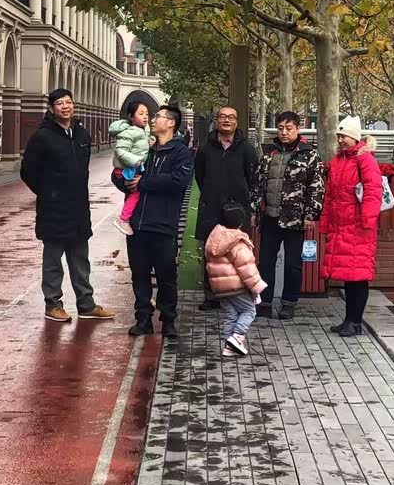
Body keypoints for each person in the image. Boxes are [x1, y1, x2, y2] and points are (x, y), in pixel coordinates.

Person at [20, 88, 114, 323]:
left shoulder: (82, 134)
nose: (65, 106)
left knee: (81, 258)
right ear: (51, 108)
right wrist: (48, 193)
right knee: (53, 260)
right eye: (60, 103)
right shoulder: (42, 136)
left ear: (74, 105)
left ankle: (86, 304)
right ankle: (53, 304)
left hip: (79, 207)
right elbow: (28, 171)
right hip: (53, 209)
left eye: (68, 102)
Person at [123, 105, 193, 339]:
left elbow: (178, 181)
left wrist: (144, 182)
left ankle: (168, 319)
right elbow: (128, 173)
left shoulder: (180, 152)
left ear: (171, 123)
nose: (153, 120)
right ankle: (143, 318)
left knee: (166, 275)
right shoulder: (146, 149)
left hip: (164, 225)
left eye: (158, 117)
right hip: (137, 224)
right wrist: (123, 179)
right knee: (139, 274)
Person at [251, 110, 325, 320]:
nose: (284, 132)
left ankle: (289, 303)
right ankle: (264, 302)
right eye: (281, 128)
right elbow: (258, 184)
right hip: (270, 217)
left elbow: (317, 187)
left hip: (295, 218)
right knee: (265, 262)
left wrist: (310, 214)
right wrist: (255, 210)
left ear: (298, 129)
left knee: (293, 264)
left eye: (289, 128)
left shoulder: (310, 155)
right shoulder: (269, 153)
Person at [320, 119, 382, 337]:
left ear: (355, 137)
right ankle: (349, 319)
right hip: (342, 226)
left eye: (344, 136)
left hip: (358, 227)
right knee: (349, 276)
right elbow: (330, 195)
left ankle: (355, 322)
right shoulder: (338, 161)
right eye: (338, 136)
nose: (340, 139)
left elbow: (373, 191)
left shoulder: (365, 159)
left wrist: (366, 221)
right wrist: (326, 222)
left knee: (358, 277)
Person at [194, 106, 258, 311]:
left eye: (231, 117)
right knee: (211, 252)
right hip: (211, 208)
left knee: (238, 253)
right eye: (223, 117)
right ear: (217, 120)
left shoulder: (246, 149)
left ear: (237, 122)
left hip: (238, 211)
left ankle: (238, 296)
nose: (227, 120)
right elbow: (200, 175)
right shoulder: (206, 148)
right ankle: (211, 296)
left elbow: (252, 177)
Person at [205, 202, 267, 357]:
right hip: (236, 286)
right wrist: (256, 286)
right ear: (241, 222)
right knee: (249, 311)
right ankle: (237, 337)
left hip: (219, 287)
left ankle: (229, 347)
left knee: (231, 314)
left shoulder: (215, 238)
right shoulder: (237, 242)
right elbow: (247, 267)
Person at [108, 101, 152, 236]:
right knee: (135, 192)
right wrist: (136, 161)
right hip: (124, 170)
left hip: (132, 169)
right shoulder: (128, 132)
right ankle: (123, 219)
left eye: (147, 114)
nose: (145, 116)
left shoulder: (144, 130)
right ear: (131, 117)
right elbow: (120, 151)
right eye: (141, 113)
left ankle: (127, 217)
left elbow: (142, 144)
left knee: (134, 192)